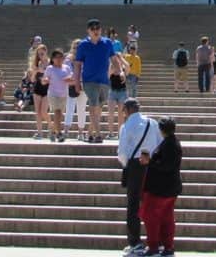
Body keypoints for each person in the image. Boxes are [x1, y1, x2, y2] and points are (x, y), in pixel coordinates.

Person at [117, 98, 163, 256]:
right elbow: (159, 144)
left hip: (135, 165)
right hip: (151, 165)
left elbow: (122, 152)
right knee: (153, 204)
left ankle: (135, 242)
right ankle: (158, 241)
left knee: (133, 205)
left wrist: (126, 165)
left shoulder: (127, 126)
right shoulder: (153, 123)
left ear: (128, 110)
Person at [140, 116, 183, 257]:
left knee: (151, 217)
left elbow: (166, 166)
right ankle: (167, 246)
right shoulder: (172, 142)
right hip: (169, 188)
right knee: (166, 218)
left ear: (162, 129)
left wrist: (149, 162)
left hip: (160, 189)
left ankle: (153, 246)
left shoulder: (169, 144)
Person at [74, 19, 117, 142]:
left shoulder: (107, 42)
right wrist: (77, 82)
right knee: (93, 105)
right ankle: (98, 134)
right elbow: (77, 65)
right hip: (89, 81)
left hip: (104, 81)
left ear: (101, 30)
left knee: (99, 107)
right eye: (92, 29)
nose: (95, 31)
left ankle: (89, 133)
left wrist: (119, 71)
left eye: (97, 28)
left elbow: (114, 59)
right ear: (88, 31)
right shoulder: (83, 45)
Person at [42, 49, 73, 142]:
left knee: (59, 115)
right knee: (57, 112)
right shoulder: (50, 68)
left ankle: (52, 131)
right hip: (53, 93)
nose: (59, 59)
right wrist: (46, 80)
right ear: (53, 58)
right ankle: (59, 133)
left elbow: (71, 78)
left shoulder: (66, 68)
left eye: (61, 57)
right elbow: (45, 78)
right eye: (57, 57)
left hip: (63, 94)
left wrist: (69, 79)